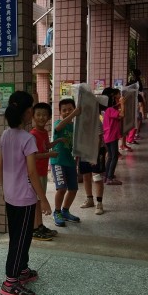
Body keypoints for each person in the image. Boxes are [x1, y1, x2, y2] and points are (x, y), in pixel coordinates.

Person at [0, 91, 51, 295]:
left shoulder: (5, 135)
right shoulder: (28, 139)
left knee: (19, 236)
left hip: (11, 197)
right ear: (28, 112)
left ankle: (22, 269)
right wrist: (43, 199)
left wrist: (6, 187)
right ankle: (11, 281)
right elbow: (31, 172)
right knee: (20, 239)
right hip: (26, 199)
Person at [29, 102, 63, 240]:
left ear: (49, 117)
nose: (41, 118)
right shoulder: (33, 134)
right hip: (35, 173)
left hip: (42, 172)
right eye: (38, 115)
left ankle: (40, 226)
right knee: (37, 201)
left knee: (38, 200)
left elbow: (45, 146)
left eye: (44, 115)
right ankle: (35, 228)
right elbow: (34, 155)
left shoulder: (43, 132)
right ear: (33, 116)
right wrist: (50, 155)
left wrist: (57, 141)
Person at [50, 98, 82, 227]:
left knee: (73, 189)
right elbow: (58, 127)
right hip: (58, 161)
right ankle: (56, 212)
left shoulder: (75, 127)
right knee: (62, 188)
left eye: (70, 109)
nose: (67, 112)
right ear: (60, 112)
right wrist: (73, 114)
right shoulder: (59, 123)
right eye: (64, 110)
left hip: (70, 162)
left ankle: (65, 211)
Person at [78, 104, 107, 215]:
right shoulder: (80, 121)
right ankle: (89, 199)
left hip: (96, 152)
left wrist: (94, 156)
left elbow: (99, 139)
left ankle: (99, 203)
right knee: (86, 176)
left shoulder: (96, 121)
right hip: (84, 151)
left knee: (97, 177)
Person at [102, 87, 125, 185]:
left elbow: (116, 110)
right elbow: (122, 115)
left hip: (108, 136)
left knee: (111, 156)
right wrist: (123, 104)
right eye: (116, 97)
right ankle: (110, 177)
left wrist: (119, 104)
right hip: (112, 136)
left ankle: (107, 176)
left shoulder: (108, 109)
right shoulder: (110, 110)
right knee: (114, 156)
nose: (119, 97)